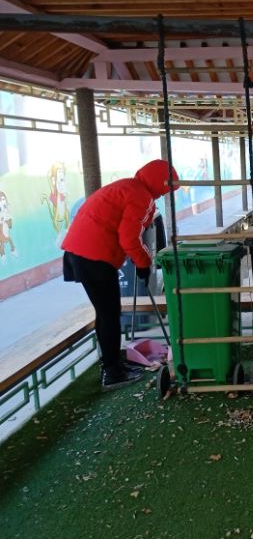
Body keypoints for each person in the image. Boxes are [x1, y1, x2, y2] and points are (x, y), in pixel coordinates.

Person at [61, 159, 179, 392]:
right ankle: (112, 372)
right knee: (109, 314)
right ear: (160, 183)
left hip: (80, 253)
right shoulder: (140, 196)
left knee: (106, 313)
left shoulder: (127, 186)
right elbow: (129, 237)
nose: (167, 192)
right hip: (95, 257)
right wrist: (144, 262)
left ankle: (113, 362)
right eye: (168, 187)